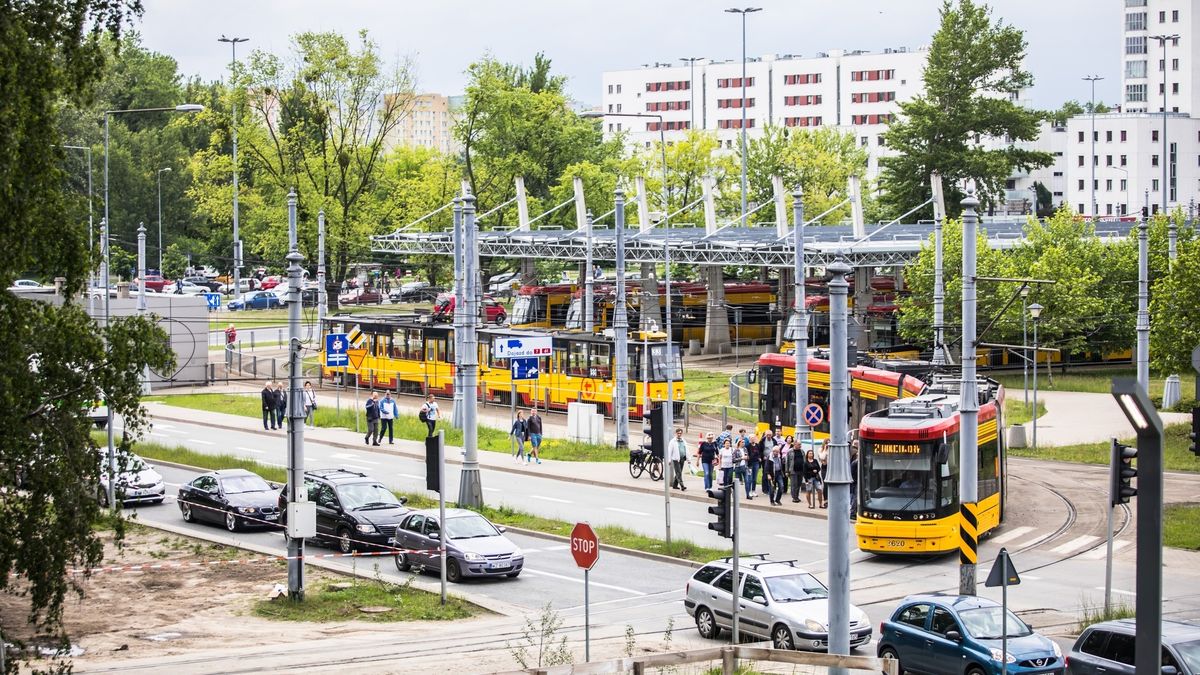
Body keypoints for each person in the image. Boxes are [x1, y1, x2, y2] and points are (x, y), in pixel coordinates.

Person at [745, 432, 763, 499]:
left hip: (756, 463)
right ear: (749, 439)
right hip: (750, 464)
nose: (753, 439)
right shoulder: (747, 446)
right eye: (751, 438)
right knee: (749, 478)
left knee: (754, 478)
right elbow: (746, 454)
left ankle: (753, 490)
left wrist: (759, 458)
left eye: (754, 438)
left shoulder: (757, 445)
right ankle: (749, 491)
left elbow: (760, 453)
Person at [848, 440, 859, 521]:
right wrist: (854, 481)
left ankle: (854, 512)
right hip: (856, 482)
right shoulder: (855, 463)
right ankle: (853, 513)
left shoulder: (856, 462)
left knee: (854, 497)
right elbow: (852, 473)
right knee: (855, 497)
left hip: (856, 482)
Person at [817, 440, 830, 509]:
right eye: (826, 442)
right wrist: (825, 449)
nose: (828, 444)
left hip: (831, 467)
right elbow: (822, 457)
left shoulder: (831, 449)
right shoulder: (820, 449)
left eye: (829, 442)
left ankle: (830, 499)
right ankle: (825, 501)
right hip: (824, 468)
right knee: (825, 484)